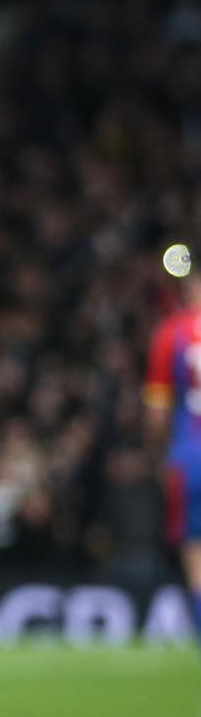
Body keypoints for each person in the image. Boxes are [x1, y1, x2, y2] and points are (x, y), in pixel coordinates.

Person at [143, 266, 201, 659]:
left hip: (191, 452)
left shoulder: (172, 332)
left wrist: (158, 454)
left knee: (196, 553)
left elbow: (158, 412)